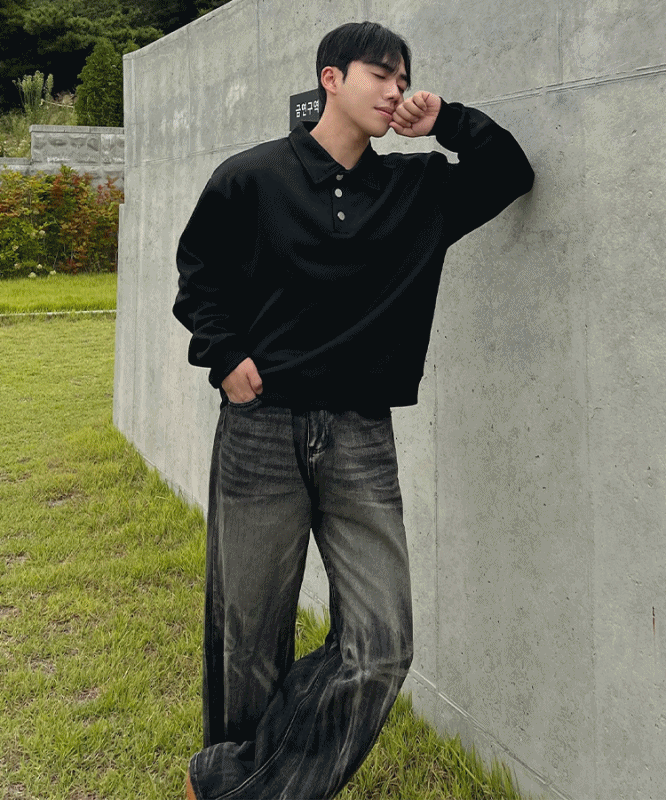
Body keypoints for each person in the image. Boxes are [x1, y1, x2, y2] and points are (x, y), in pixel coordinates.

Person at [173, 20, 534, 800]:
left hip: (361, 435)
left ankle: (232, 784)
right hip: (261, 430)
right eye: (382, 74)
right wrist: (226, 358)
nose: (396, 89)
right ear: (331, 79)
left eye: (404, 79)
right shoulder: (251, 177)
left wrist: (446, 121)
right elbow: (199, 277)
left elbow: (509, 171)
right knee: (247, 638)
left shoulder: (417, 190)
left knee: (381, 645)